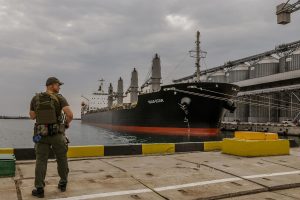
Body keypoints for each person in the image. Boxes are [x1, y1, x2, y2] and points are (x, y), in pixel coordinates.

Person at [29, 77, 73, 198]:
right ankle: (63, 184)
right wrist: (66, 124)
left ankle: (39, 189)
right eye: (58, 85)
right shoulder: (59, 97)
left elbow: (32, 116)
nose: (59, 87)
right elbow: (70, 114)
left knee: (41, 161)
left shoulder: (35, 98)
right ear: (51, 85)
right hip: (57, 135)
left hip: (41, 135)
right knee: (62, 158)